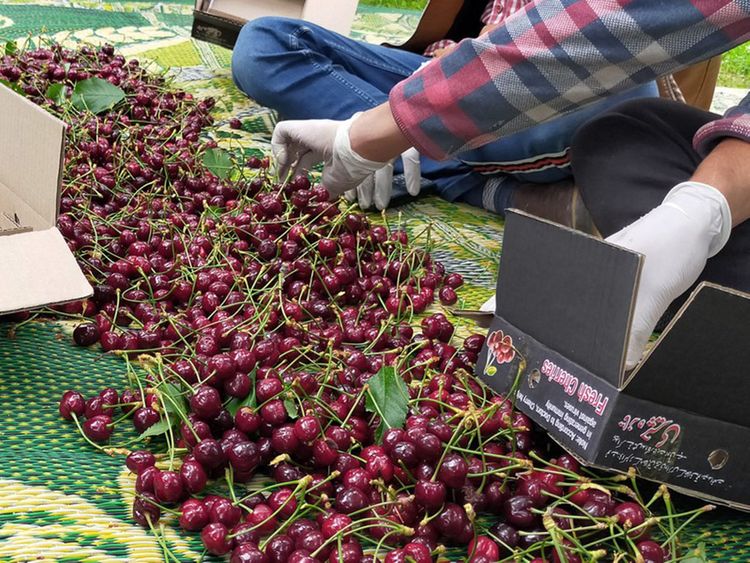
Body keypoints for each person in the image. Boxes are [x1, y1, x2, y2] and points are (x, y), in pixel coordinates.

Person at [270, 0, 750, 368]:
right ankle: (467, 170)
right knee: (269, 42)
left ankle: (451, 170)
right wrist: (395, 115)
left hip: (583, 88)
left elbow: (607, 33)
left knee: (616, 110)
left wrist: (694, 216)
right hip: (482, 73)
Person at [231, 1, 657, 219]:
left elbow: (593, 34)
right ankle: (487, 187)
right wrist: (442, 74)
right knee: (264, 42)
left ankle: (413, 151)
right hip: (456, 72)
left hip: (558, 88)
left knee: (620, 106)